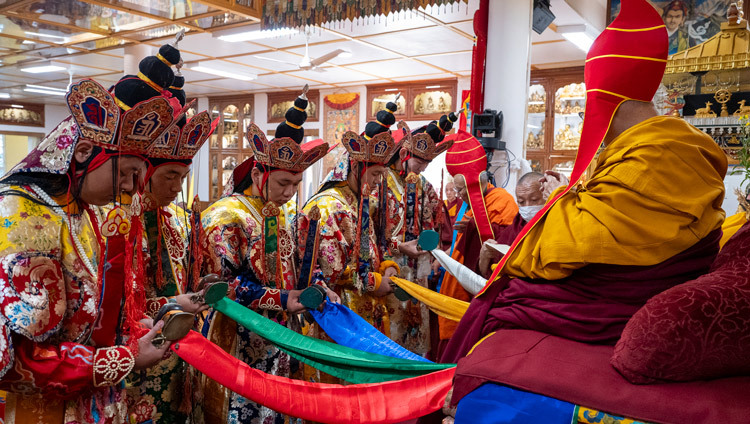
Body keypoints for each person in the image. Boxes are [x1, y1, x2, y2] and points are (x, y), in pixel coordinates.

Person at [441, 0, 727, 368]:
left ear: (606, 102)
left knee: (500, 304)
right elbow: (605, 222)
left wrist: (521, 243)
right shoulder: (677, 146)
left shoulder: (652, 156)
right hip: (640, 281)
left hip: (619, 298)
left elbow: (573, 244)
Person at [0, 46, 183, 422]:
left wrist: (136, 330)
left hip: (98, 398)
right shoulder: (19, 216)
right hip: (45, 408)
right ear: (84, 151)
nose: (133, 188)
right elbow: (17, 358)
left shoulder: (85, 213)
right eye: (128, 172)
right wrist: (125, 358)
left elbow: (92, 315)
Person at [201, 86, 334, 424]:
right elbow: (215, 287)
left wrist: (316, 283)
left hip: (282, 338)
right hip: (240, 340)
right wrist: (280, 298)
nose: (290, 194)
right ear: (259, 174)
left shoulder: (277, 213)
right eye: (283, 184)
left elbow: (291, 267)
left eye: (296, 184)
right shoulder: (225, 216)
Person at [125, 65, 218, 423]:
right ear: (145, 174)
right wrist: (170, 303)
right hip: (142, 356)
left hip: (184, 350)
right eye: (169, 176)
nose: (178, 187)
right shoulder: (123, 224)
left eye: (182, 176)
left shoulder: (178, 218)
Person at [298, 99, 403, 354]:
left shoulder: (361, 202)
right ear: (355, 167)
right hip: (341, 310)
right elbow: (330, 269)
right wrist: (373, 282)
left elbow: (375, 249)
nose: (380, 183)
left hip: (366, 305)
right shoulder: (330, 206)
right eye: (377, 175)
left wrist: (386, 268)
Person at [436, 133, 518, 356]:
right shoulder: (474, 203)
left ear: (476, 182)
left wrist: (473, 228)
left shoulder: (502, 200)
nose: (459, 195)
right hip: (458, 283)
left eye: (461, 190)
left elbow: (504, 243)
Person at [382, 113, 456, 356]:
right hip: (390, 264)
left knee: (416, 329)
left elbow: (436, 222)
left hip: (419, 268)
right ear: (404, 154)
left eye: (427, 163)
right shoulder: (380, 182)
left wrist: (433, 250)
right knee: (391, 329)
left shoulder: (425, 186)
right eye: (419, 162)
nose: (423, 168)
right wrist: (398, 247)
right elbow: (369, 231)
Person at [477, 171, 555, 277]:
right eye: (521, 202)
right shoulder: (514, 230)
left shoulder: (558, 225)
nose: (528, 206)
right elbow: (490, 277)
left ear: (548, 196)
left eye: (534, 200)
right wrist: (484, 257)